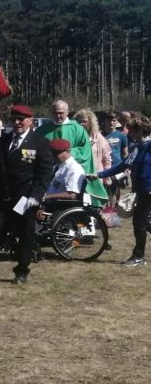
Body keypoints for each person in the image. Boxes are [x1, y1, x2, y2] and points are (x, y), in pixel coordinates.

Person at [0, 104, 54, 286]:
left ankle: (22, 270)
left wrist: (35, 196)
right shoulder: (3, 139)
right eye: (13, 119)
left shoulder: (40, 142)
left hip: (25, 198)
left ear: (31, 121)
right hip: (2, 196)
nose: (17, 122)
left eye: (21, 119)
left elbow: (45, 172)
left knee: (25, 236)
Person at [91, 115, 151, 266]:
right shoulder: (137, 147)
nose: (129, 133)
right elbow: (123, 166)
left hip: (148, 190)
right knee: (145, 222)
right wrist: (100, 174)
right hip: (140, 190)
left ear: (140, 131)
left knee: (139, 222)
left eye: (131, 130)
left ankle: (138, 256)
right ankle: (139, 255)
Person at [38, 100, 107, 207]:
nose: (58, 116)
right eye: (55, 113)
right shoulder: (43, 129)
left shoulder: (78, 129)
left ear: (67, 112)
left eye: (61, 113)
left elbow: (85, 152)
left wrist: (67, 154)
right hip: (47, 171)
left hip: (70, 172)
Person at [42, 138, 86, 210]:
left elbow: (71, 195)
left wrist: (46, 197)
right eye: (52, 153)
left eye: (57, 153)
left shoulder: (74, 169)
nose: (53, 156)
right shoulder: (58, 165)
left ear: (68, 151)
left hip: (60, 206)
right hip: (49, 202)